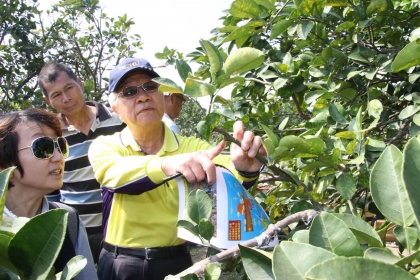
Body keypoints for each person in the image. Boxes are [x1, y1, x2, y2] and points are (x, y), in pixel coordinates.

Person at [88, 57, 266, 280]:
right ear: (115, 108)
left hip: (176, 262)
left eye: (149, 87)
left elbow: (229, 177)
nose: (142, 96)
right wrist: (167, 165)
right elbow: (113, 175)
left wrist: (246, 168)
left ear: (163, 95)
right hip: (120, 264)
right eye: (129, 92)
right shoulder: (107, 146)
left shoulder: (192, 147)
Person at [38, 62, 126, 263]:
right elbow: (51, 190)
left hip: (123, 228)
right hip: (79, 234)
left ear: (80, 83)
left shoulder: (118, 120)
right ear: (48, 100)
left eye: (69, 88)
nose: (66, 98)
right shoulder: (52, 138)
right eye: (56, 95)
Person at [0, 108, 97, 279]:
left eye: (60, 145)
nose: (59, 157)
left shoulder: (68, 220)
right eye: (43, 147)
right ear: (6, 162)